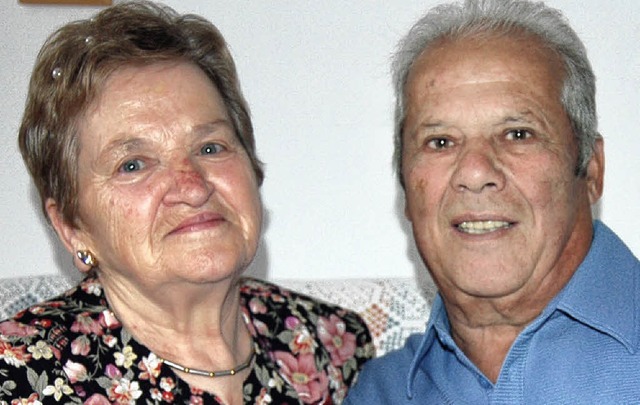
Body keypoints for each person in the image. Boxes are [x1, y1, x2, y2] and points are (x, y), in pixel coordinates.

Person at [0, 2, 373, 403]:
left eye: (211, 147)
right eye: (133, 164)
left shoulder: (332, 345)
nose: (192, 186)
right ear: (71, 227)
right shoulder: (19, 376)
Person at [345, 0, 640, 403]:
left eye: (518, 134)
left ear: (590, 169)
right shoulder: (384, 393)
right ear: (408, 192)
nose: (475, 171)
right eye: (441, 142)